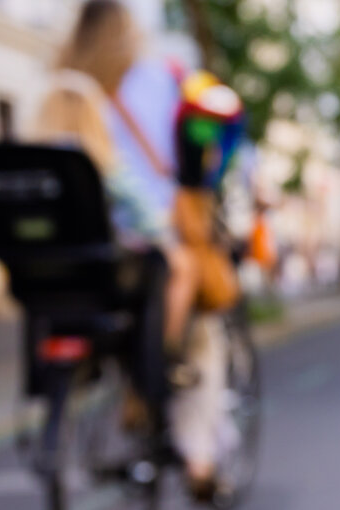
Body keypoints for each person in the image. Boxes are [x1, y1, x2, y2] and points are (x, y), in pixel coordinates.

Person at [32, 0, 218, 497]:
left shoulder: (56, 93)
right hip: (119, 258)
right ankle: (155, 368)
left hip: (55, 268)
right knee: (180, 267)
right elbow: (143, 197)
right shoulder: (153, 83)